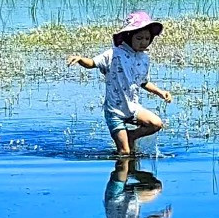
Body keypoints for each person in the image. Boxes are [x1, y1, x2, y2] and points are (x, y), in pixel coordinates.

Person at [67, 10, 173, 155]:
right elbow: (92, 63)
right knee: (124, 153)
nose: (144, 42)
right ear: (129, 36)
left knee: (156, 124)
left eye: (147, 38)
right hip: (115, 111)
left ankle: (131, 136)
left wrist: (161, 92)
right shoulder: (113, 54)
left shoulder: (144, 59)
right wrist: (80, 59)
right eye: (139, 38)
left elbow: (143, 82)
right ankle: (122, 170)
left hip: (133, 108)